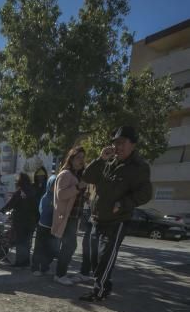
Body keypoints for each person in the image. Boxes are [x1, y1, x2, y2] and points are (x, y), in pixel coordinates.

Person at [80, 126, 152, 301]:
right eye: (115, 143)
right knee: (93, 257)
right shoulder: (109, 162)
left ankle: (99, 291)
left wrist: (123, 203)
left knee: (105, 258)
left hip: (117, 221)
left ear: (132, 145)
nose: (117, 147)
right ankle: (104, 285)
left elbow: (145, 194)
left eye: (122, 143)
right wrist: (100, 158)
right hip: (97, 217)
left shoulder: (139, 167)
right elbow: (87, 177)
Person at [51, 146, 86, 286]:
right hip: (67, 216)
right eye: (78, 157)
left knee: (69, 246)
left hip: (73, 216)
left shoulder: (77, 175)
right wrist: (78, 187)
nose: (81, 161)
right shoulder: (66, 174)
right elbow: (61, 194)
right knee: (69, 246)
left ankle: (61, 273)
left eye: (83, 158)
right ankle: (60, 274)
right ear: (71, 158)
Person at [0, 172, 39, 267]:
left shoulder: (20, 191)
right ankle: (26, 262)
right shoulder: (33, 190)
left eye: (16, 181)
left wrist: (1, 211)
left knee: (20, 242)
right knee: (27, 242)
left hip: (21, 221)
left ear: (20, 181)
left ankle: (19, 263)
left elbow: (10, 204)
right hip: (32, 222)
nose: (15, 182)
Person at [31, 173, 58, 275]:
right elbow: (41, 211)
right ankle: (35, 268)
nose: (54, 188)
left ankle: (45, 267)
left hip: (53, 228)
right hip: (43, 226)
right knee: (39, 248)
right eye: (52, 185)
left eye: (56, 185)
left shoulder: (58, 198)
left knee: (50, 249)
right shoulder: (45, 197)